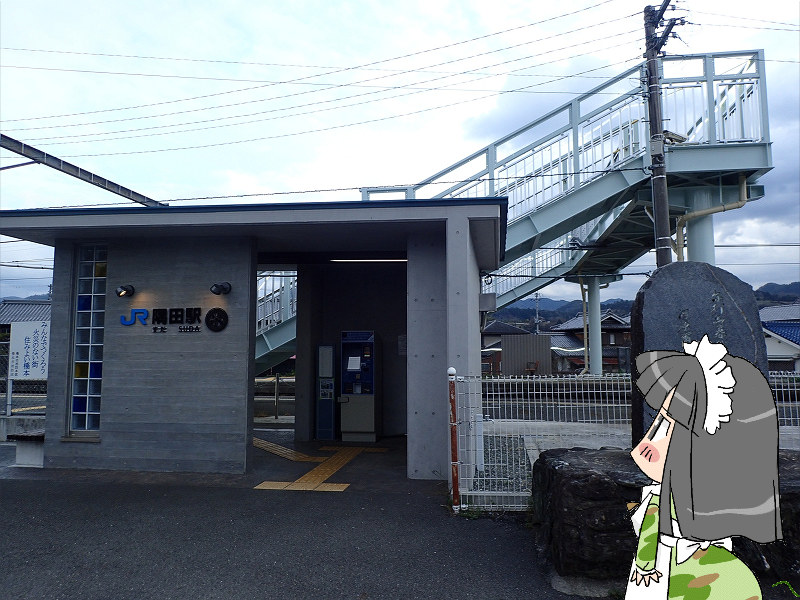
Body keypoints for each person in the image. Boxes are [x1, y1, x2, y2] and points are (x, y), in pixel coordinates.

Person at [626, 335, 781, 600]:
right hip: (706, 564)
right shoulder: (714, 505)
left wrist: (644, 565)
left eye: (666, 428)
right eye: (658, 425)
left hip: (667, 567)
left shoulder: (663, 498)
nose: (647, 443)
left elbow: (649, 538)